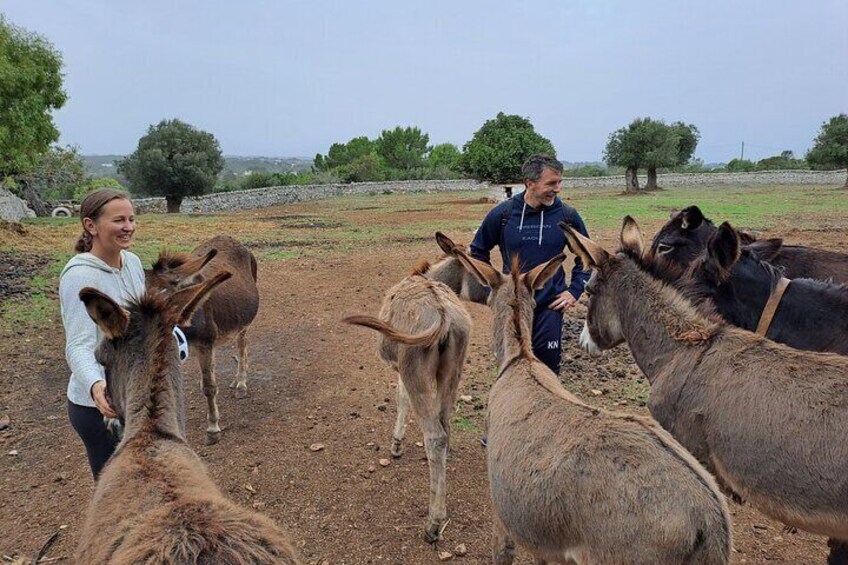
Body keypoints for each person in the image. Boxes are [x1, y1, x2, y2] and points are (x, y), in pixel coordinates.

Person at [470, 154, 591, 374]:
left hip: (549, 306)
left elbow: (587, 258)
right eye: (551, 183)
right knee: (511, 368)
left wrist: (573, 291)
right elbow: (477, 251)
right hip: (512, 308)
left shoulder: (567, 216)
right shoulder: (504, 214)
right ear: (530, 183)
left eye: (559, 182)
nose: (558, 189)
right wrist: (493, 290)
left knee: (547, 369)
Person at [59, 188, 145, 479]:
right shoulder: (79, 276)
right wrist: (96, 387)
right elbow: (78, 346)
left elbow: (140, 324)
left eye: (132, 219)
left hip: (132, 393)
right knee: (113, 486)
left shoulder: (132, 263)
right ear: (91, 225)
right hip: (99, 408)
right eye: (119, 220)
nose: (129, 227)